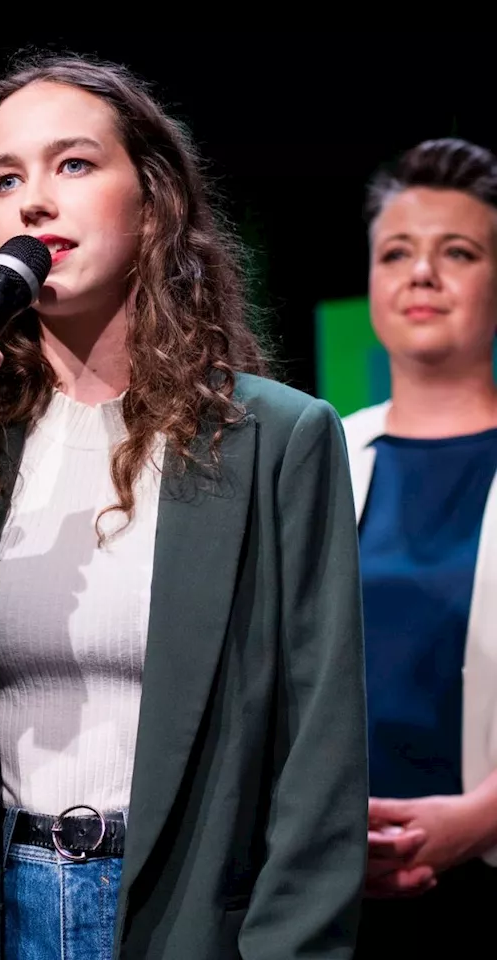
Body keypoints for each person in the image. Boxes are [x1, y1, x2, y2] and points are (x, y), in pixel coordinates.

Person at [0, 53, 369, 959]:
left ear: (154, 202)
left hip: (179, 919)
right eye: (6, 180)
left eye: (73, 165)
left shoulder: (277, 439)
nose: (32, 202)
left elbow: (320, 745)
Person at [341, 138, 497, 956]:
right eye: (396, 252)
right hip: (325, 886)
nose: (422, 273)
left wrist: (481, 820)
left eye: (459, 252)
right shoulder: (320, 455)